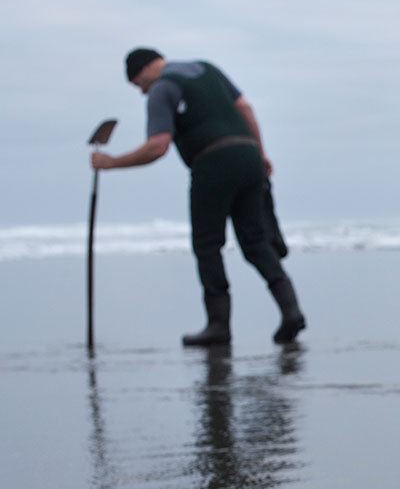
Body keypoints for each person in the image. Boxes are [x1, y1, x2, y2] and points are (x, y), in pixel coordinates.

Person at [91, 48, 306, 346]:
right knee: (255, 241)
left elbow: (158, 146)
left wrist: (111, 163)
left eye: (138, 86)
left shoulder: (162, 89)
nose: (142, 93)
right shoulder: (206, 69)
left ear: (141, 72)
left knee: (207, 245)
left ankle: (218, 326)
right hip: (248, 156)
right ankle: (291, 311)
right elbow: (245, 108)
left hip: (212, 163)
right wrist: (260, 151)